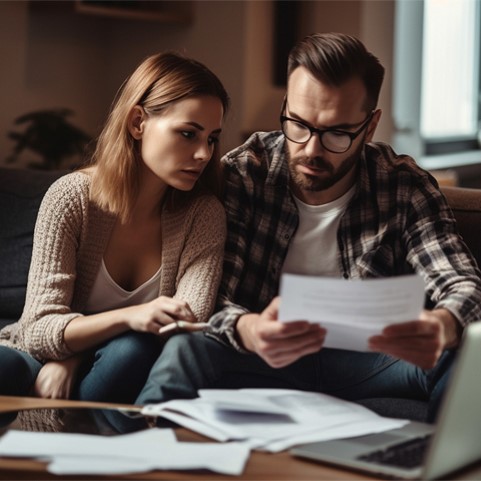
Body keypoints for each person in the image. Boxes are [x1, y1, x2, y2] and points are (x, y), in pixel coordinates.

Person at [134, 33, 481, 423]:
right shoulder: (246, 173)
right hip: (265, 356)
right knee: (187, 349)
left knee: (463, 355)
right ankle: (141, 457)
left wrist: (445, 324)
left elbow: (463, 283)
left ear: (370, 127)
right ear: (285, 107)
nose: (312, 149)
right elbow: (209, 293)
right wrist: (248, 328)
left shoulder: (402, 185)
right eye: (298, 124)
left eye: (337, 133)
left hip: (370, 362)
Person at [0, 51, 229, 403]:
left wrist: (75, 357)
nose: (204, 154)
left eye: (212, 139)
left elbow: (183, 327)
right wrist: (130, 317)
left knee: (131, 351)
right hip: (33, 357)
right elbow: (37, 330)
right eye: (188, 134)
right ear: (137, 122)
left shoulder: (203, 216)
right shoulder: (71, 198)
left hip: (123, 366)